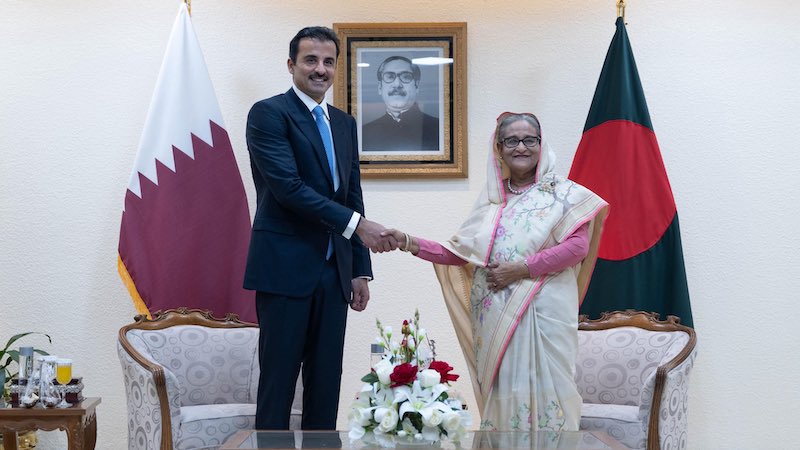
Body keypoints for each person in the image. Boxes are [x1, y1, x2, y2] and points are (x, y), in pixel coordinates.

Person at [384, 112, 608, 431]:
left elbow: (577, 248)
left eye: (529, 139)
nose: (521, 147)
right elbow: (459, 253)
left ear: (541, 145)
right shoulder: (491, 203)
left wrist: (520, 269)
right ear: (499, 149)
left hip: (545, 314)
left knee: (552, 396)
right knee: (506, 396)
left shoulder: (563, 195)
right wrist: (407, 241)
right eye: (511, 141)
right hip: (498, 318)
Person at [243, 26, 395, 430]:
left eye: (328, 62)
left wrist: (360, 269)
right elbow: (289, 189)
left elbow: (351, 195)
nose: (320, 69)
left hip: (335, 272)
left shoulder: (344, 123)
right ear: (291, 64)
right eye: (310, 60)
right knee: (278, 384)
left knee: (327, 381)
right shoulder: (268, 113)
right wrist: (359, 226)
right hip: (284, 269)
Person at [361, 56, 439, 151]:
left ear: (417, 86)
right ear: (380, 87)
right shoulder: (364, 133)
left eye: (406, 77)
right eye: (389, 76)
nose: (397, 84)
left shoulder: (438, 129)